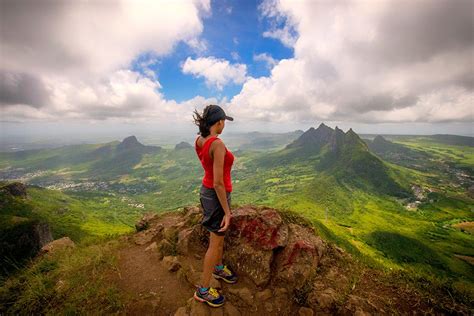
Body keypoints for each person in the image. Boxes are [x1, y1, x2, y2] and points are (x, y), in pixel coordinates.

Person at [192, 104, 238, 307]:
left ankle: (218, 267)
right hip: (217, 194)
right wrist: (227, 212)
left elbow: (208, 168)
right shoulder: (217, 144)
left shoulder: (199, 140)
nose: (224, 125)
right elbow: (218, 182)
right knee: (215, 241)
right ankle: (203, 290)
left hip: (207, 192)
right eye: (224, 121)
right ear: (219, 122)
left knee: (218, 237)